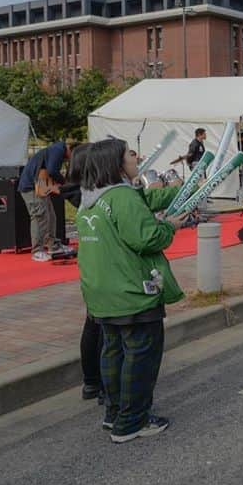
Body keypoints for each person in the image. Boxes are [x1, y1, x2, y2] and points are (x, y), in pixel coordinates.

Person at [76, 138, 188, 443]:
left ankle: (115, 415)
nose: (135, 157)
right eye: (129, 153)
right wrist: (169, 227)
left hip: (102, 293)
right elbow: (147, 238)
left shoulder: (90, 200)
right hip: (132, 292)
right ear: (116, 163)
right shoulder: (121, 197)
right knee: (140, 355)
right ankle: (132, 421)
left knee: (112, 352)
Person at [66, 144, 104, 403]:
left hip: (93, 269)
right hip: (105, 269)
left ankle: (92, 382)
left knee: (94, 324)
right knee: (103, 328)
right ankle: (103, 385)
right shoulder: (93, 197)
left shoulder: (83, 195)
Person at [18, 141, 72, 261]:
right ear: (70, 149)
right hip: (31, 188)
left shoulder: (55, 150)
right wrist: (65, 183)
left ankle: (53, 245)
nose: (70, 159)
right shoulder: (58, 150)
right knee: (40, 217)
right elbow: (52, 170)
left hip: (39, 186)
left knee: (50, 216)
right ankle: (37, 250)